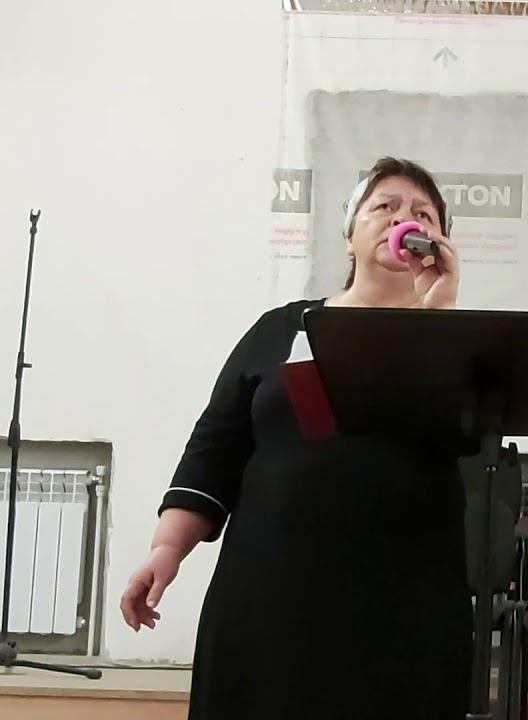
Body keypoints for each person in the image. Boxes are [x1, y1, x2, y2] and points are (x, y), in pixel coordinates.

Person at [120, 157, 469, 719]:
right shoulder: (280, 328)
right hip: (272, 589)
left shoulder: (461, 341)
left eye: (424, 214)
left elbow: (461, 435)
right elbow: (214, 447)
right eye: (385, 206)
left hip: (402, 600)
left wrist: (438, 319)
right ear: (349, 236)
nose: (404, 219)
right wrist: (167, 549)